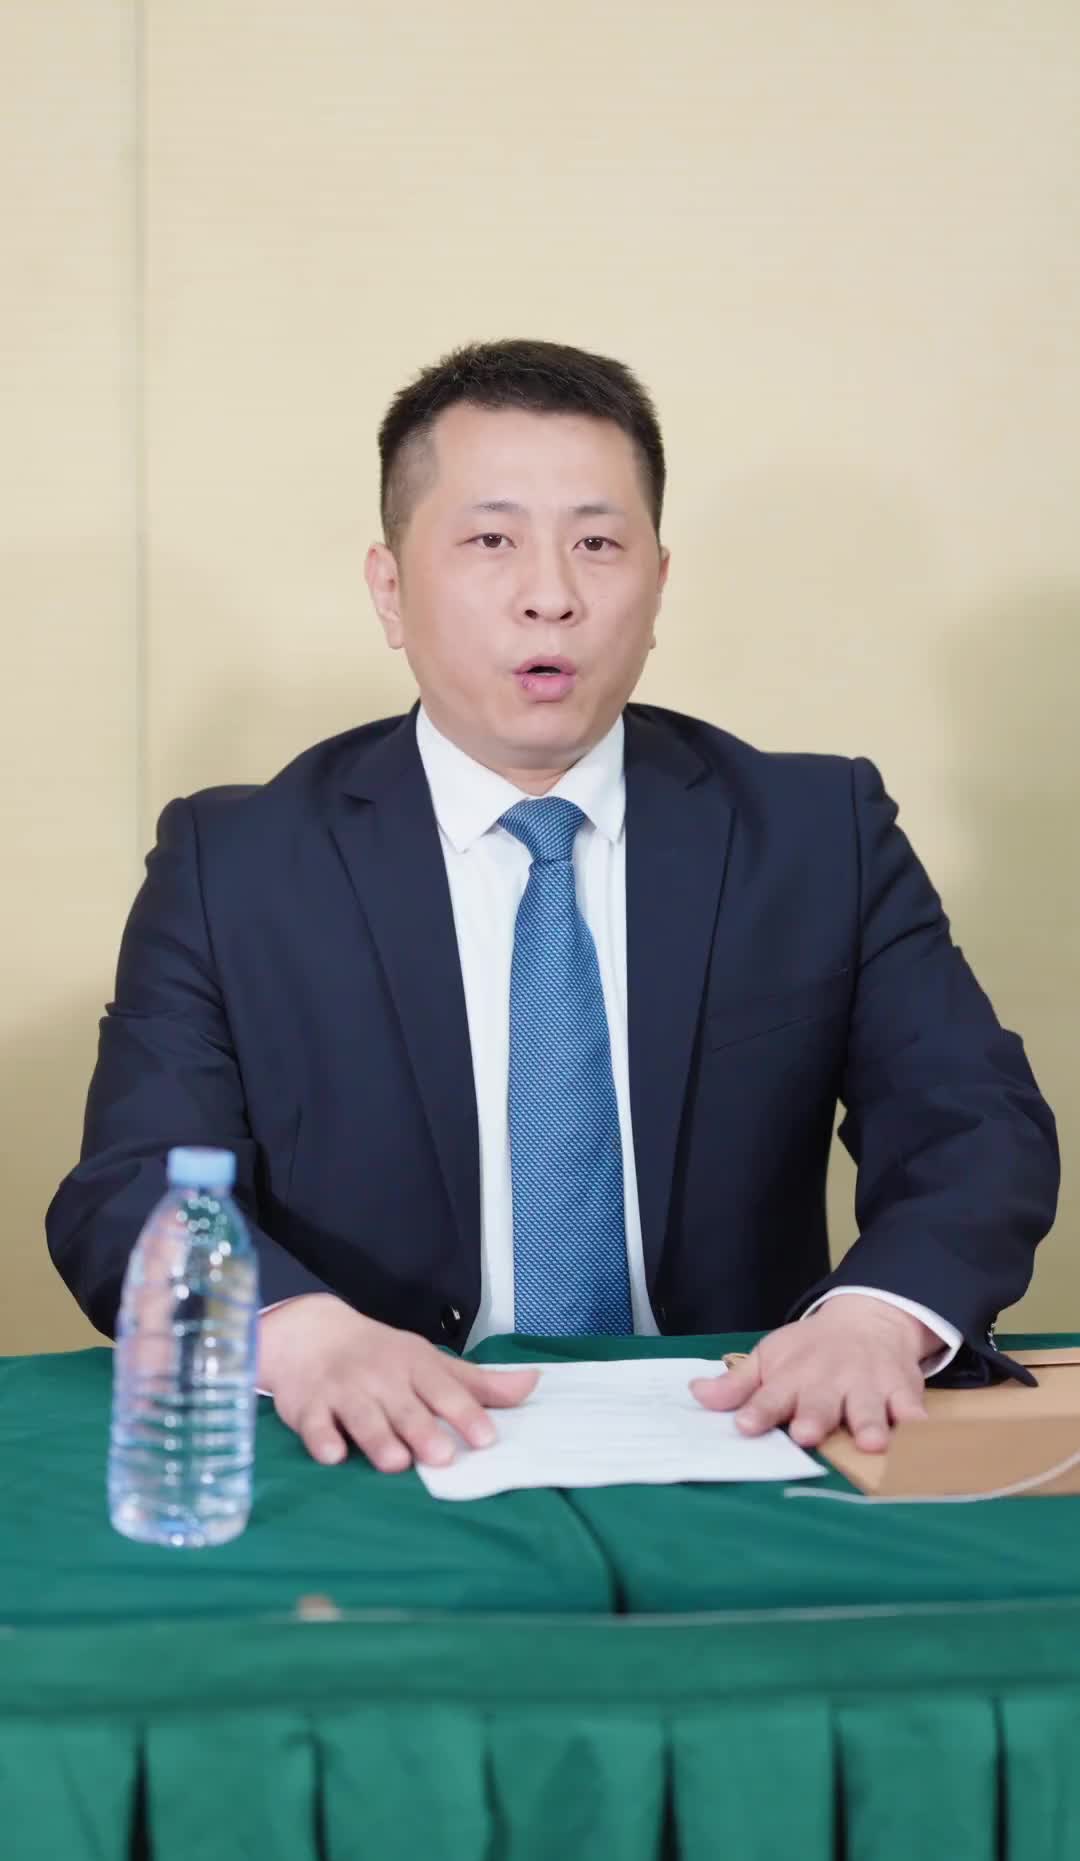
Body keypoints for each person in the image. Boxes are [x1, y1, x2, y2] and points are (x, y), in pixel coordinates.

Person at [47, 339, 1059, 1475]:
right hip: (382, 1449)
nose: (551, 596)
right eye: (491, 541)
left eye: (597, 544)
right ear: (390, 588)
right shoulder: (236, 861)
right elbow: (132, 1188)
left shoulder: (816, 833)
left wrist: (876, 1317)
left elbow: (975, 1125)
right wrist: (301, 1335)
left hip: (739, 1426)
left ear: (658, 585)